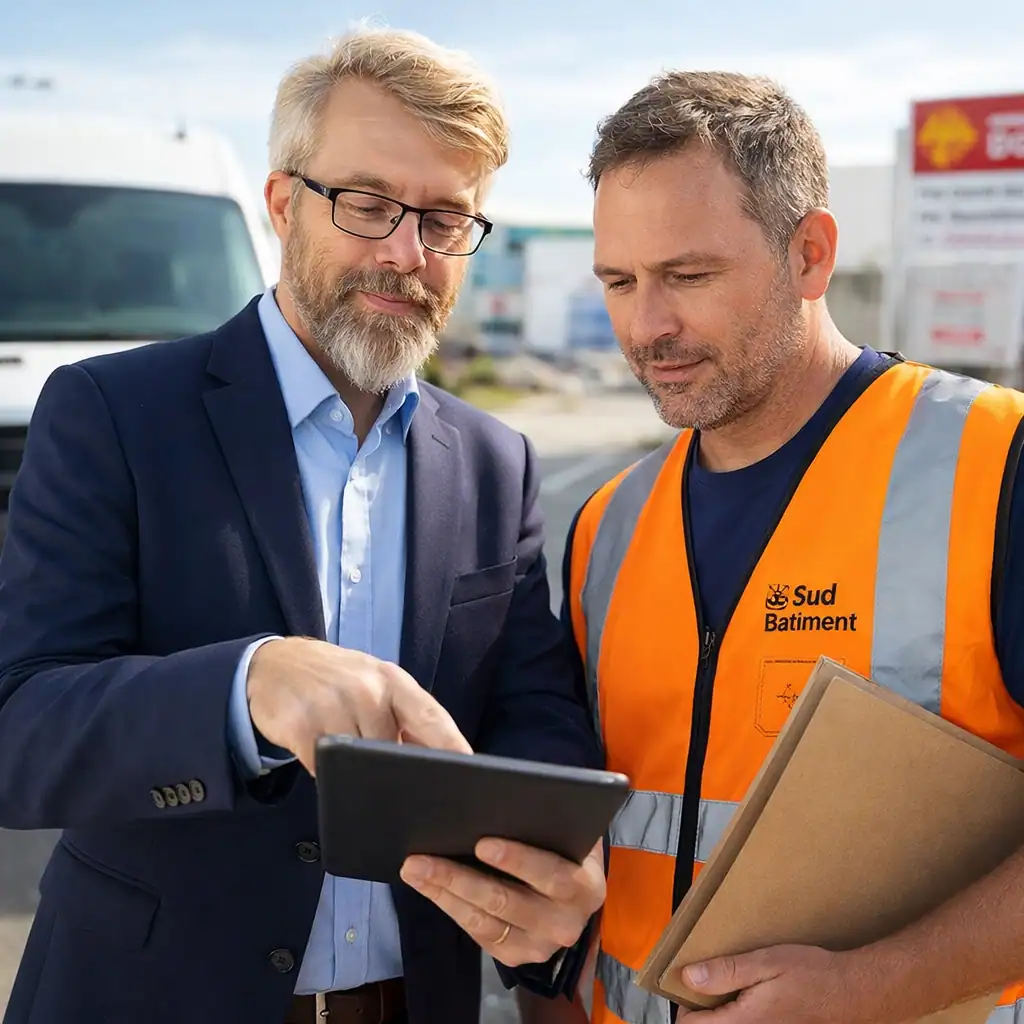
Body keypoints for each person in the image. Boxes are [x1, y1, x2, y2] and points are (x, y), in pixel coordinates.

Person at [0, 27, 604, 1024]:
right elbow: (20, 730)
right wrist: (248, 686)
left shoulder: (496, 462)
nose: (405, 253)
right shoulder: (114, 412)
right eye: (366, 203)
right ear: (283, 203)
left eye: (447, 219)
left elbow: (528, 708)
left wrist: (554, 863)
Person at [550, 71, 1024, 1024]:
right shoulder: (606, 525)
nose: (647, 327)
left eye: (688, 275)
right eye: (618, 282)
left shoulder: (995, 464)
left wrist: (872, 987)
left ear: (810, 254)